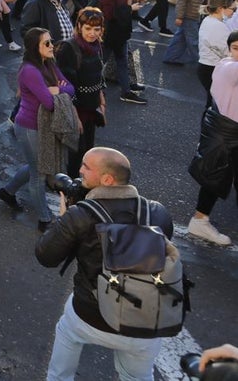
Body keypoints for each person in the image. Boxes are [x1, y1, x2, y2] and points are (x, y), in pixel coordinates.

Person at [35, 147, 173, 381]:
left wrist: (63, 219)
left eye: (86, 167)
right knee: (138, 377)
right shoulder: (157, 212)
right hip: (146, 321)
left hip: (91, 316)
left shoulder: (80, 215)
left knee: (66, 335)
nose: (79, 170)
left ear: (107, 179)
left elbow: (45, 256)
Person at [0, 27, 76, 230]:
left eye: (51, 41)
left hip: (44, 126)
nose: (52, 46)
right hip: (29, 127)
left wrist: (58, 89)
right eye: (47, 43)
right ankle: (44, 219)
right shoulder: (30, 71)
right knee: (39, 174)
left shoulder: (49, 63)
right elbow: (49, 103)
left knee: (37, 165)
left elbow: (71, 88)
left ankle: (7, 192)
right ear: (35, 47)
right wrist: (60, 91)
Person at [186, 30, 238, 247]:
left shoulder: (226, 64)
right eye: (236, 48)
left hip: (226, 132)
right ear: (229, 49)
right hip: (226, 132)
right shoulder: (229, 67)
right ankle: (199, 221)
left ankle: (200, 220)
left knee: (217, 177)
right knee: (215, 177)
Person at [54, 8, 108, 178]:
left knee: (88, 151)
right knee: (75, 154)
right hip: (76, 110)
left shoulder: (97, 46)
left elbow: (98, 74)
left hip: (91, 108)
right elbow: (66, 88)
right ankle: (71, 188)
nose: (92, 33)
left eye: (97, 29)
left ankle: (82, 184)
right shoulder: (68, 48)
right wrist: (75, 116)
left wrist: (101, 101)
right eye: (88, 28)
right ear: (79, 26)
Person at [99, 0, 147, 104]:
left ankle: (126, 91)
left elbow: (125, 12)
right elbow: (109, 15)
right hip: (111, 35)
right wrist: (130, 8)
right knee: (99, 62)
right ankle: (92, 89)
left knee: (122, 63)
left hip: (121, 34)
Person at [164, 0, 211, 66]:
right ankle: (202, 63)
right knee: (193, 41)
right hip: (189, 15)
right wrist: (179, 17)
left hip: (198, 14)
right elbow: (181, 0)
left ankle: (171, 57)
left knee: (180, 38)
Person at [197, 0, 237, 106]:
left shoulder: (210, 20)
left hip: (207, 66)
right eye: (233, 9)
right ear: (221, 9)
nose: (234, 12)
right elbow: (227, 51)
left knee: (213, 102)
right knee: (216, 104)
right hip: (212, 67)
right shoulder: (217, 26)